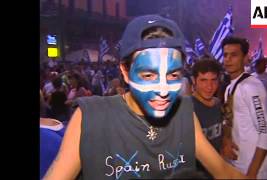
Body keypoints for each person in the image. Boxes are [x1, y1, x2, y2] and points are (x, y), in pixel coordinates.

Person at [44, 15, 248, 180]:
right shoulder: (91, 117)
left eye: (173, 75)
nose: (163, 90)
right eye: (148, 75)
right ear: (124, 71)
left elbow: (222, 171)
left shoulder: (184, 113)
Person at [221, 36, 267, 179]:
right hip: (239, 163)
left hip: (257, 168)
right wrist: (227, 139)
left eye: (234, 55)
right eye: (225, 55)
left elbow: (266, 131)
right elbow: (229, 119)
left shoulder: (251, 86)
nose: (228, 59)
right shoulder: (229, 88)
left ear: (245, 58)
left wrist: (252, 173)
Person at [191, 56, 224, 179]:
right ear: (194, 81)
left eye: (213, 80)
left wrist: (226, 138)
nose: (209, 87)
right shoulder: (186, 107)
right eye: (203, 80)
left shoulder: (217, 103)